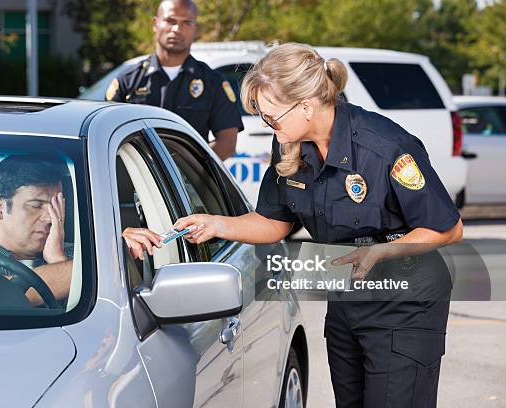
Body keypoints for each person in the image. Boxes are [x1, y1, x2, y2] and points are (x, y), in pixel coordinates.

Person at [174, 43, 463, 408]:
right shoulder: (292, 146)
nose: (268, 127)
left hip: (405, 303)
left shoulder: (385, 147)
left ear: (306, 106)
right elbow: (274, 221)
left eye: (271, 117)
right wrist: (216, 224)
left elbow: (448, 228)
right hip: (348, 298)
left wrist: (383, 250)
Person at [0, 155, 162, 307]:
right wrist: (113, 254)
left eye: (55, 206)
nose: (49, 218)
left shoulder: (79, 255)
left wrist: (57, 258)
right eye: (36, 205)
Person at [105, 0, 243, 160]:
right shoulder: (128, 81)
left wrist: (187, 169)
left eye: (186, 22)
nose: (177, 29)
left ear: (195, 29)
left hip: (187, 183)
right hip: (135, 180)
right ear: (155, 24)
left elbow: (227, 143)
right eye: (170, 21)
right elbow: (107, 135)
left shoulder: (213, 83)